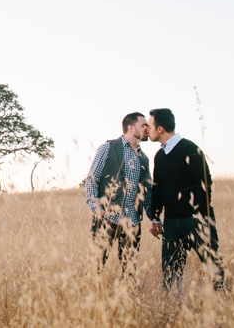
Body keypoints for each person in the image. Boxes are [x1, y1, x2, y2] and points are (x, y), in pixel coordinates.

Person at [147, 108, 225, 291]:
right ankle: (174, 308)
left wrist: (199, 215)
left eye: (149, 126)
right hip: (172, 223)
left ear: (160, 129)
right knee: (170, 270)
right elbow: (157, 189)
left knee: (213, 266)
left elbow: (205, 182)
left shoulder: (190, 149)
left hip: (197, 220)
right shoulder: (159, 156)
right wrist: (156, 218)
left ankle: (223, 303)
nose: (146, 130)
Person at [85, 112, 152, 273]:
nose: (147, 128)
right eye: (144, 125)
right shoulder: (107, 148)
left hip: (132, 221)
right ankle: (92, 296)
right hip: (107, 217)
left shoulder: (143, 158)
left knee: (129, 269)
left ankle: (125, 297)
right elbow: (92, 180)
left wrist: (154, 218)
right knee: (96, 265)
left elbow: (147, 191)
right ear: (130, 127)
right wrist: (97, 209)